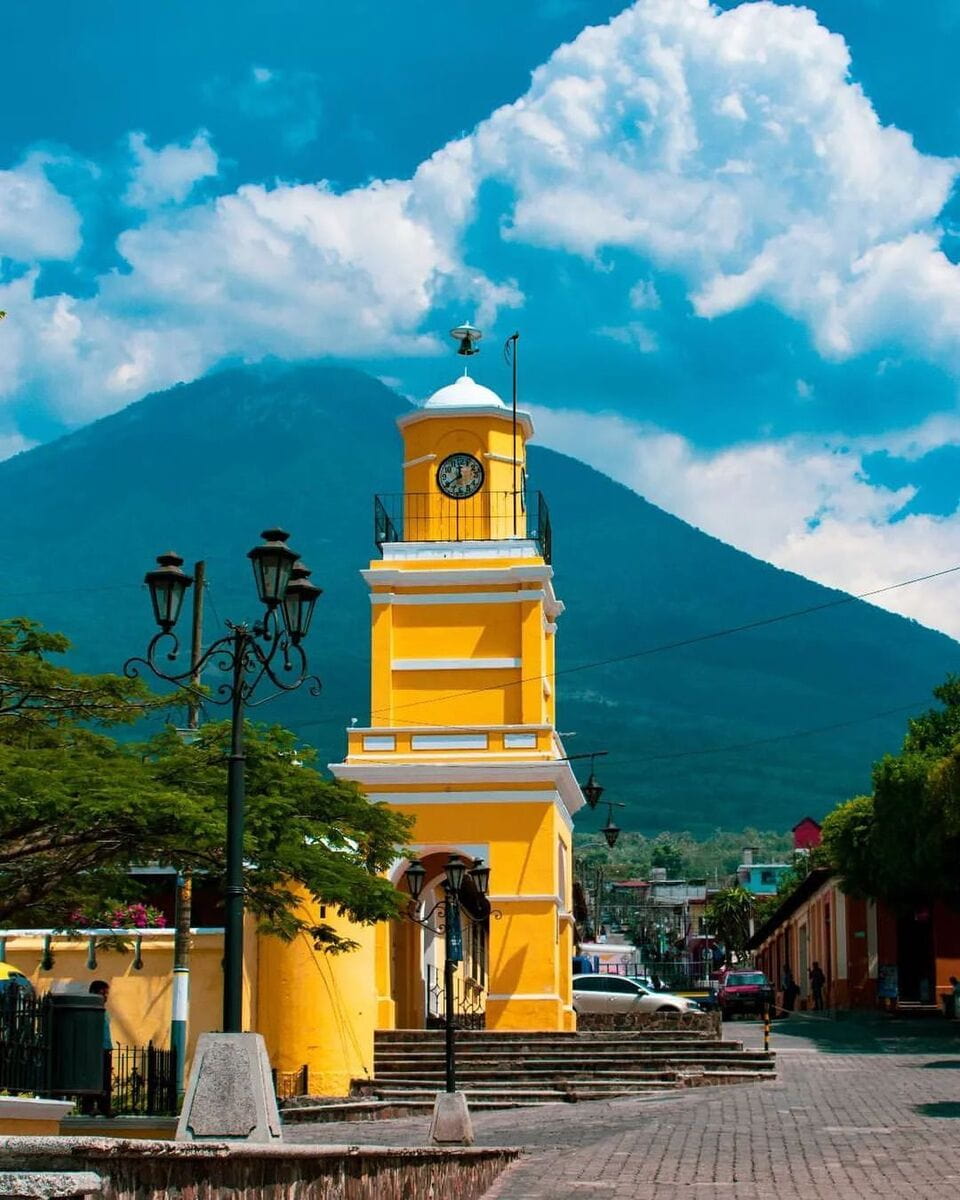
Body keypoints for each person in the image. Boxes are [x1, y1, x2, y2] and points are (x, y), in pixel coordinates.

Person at [84, 980, 114, 1117]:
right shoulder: (90, 1010)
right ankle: (89, 1107)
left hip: (106, 1048)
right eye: (103, 993)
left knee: (105, 1081)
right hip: (95, 1050)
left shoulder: (103, 1011)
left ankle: (105, 1107)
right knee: (92, 1079)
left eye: (106, 994)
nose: (105, 997)